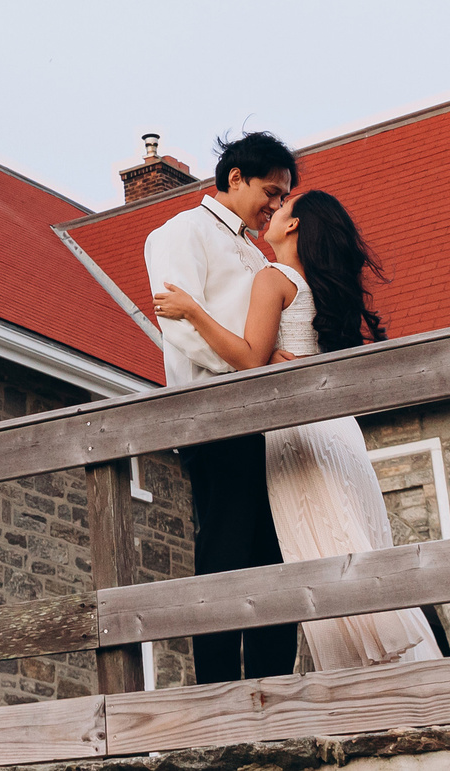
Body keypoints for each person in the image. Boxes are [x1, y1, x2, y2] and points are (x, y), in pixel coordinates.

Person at [154, 188, 443, 670]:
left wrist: (192, 311)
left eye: (282, 206)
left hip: (296, 435)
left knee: (313, 549)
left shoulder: (273, 278)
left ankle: (363, 676)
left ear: (293, 226)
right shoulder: (322, 289)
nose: (273, 210)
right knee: (350, 544)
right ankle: (394, 669)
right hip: (339, 433)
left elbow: (248, 358)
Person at [139, 130, 302, 681]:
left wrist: (266, 355)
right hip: (212, 415)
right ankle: (215, 688)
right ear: (236, 178)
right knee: (224, 552)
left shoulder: (252, 250)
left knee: (271, 556)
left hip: (260, 419)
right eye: (272, 192)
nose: (276, 206)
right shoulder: (180, 231)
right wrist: (245, 364)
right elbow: (177, 324)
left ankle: (271, 686)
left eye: (283, 198)